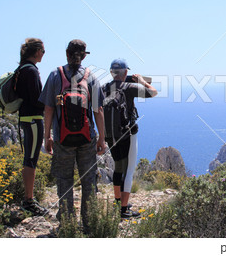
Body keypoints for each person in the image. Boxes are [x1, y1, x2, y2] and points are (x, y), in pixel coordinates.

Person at [39, 39, 107, 229]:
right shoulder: (91, 77)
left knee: (64, 179)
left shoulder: (55, 75)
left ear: (66, 54)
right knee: (89, 179)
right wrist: (101, 138)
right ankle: (89, 221)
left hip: (62, 137)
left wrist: (48, 136)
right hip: (87, 138)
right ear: (84, 56)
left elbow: (48, 109)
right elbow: (98, 110)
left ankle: (67, 223)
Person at [103, 58, 157, 219]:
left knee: (118, 167)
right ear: (125, 72)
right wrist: (142, 81)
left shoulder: (104, 88)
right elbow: (153, 92)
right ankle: (124, 210)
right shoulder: (130, 87)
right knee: (128, 170)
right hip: (128, 134)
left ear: (112, 72)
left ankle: (118, 201)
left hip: (110, 135)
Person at [16, 38, 47, 215]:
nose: (43, 54)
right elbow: (37, 100)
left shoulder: (22, 69)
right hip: (34, 119)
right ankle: (29, 200)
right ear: (36, 52)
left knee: (29, 157)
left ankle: (28, 198)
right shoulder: (32, 71)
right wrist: (53, 102)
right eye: (43, 51)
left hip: (25, 118)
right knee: (31, 159)